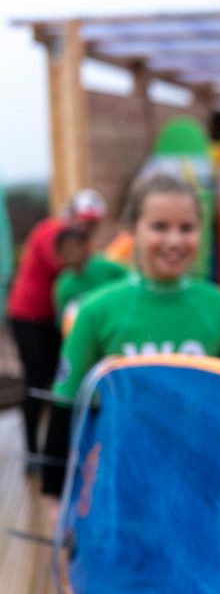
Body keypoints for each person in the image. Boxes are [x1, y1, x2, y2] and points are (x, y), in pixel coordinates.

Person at [40, 173, 220, 594]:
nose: (173, 240)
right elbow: (64, 408)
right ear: (133, 231)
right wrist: (56, 504)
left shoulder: (218, 307)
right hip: (114, 510)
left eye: (186, 227)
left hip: (195, 511)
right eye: (159, 227)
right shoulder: (99, 311)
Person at [6, 189, 106, 473]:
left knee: (58, 379)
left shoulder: (79, 241)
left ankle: (60, 450)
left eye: (92, 225)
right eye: (84, 222)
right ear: (72, 216)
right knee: (37, 382)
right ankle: (33, 454)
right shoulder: (50, 232)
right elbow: (69, 264)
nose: (86, 229)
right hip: (29, 316)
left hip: (53, 320)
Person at [52, 226, 127, 335]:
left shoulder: (107, 267)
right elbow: (63, 319)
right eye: (65, 248)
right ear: (59, 253)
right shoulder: (64, 284)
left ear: (86, 246)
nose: (71, 252)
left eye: (75, 246)